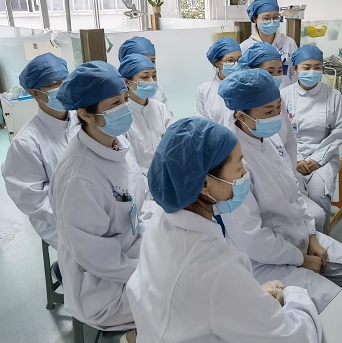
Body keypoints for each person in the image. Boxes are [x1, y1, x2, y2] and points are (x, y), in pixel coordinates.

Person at [126, 117, 322, 342]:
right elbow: (294, 337)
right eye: (239, 168)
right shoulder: (219, 266)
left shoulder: (160, 224)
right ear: (205, 184)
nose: (245, 174)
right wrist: (292, 293)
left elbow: (201, 298)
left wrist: (249, 295)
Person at [218, 69, 342, 312]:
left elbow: (294, 192)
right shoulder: (233, 160)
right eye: (268, 111)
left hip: (299, 238)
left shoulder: (270, 138)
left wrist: (312, 237)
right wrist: (300, 259)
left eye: (279, 107)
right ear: (241, 115)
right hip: (266, 261)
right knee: (340, 306)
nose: (277, 115)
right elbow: (251, 238)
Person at [49, 61, 146, 331]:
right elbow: (97, 257)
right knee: (183, 299)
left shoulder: (117, 142)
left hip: (132, 253)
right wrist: (149, 270)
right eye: (115, 103)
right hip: (103, 287)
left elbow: (139, 204)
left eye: (125, 98)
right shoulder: (80, 176)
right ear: (86, 114)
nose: (125, 107)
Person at [239, 43, 325, 232]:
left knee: (316, 215)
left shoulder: (279, 101)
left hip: (286, 176)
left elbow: (289, 142)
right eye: (270, 72)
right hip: (262, 189)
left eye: (280, 71)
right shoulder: (242, 113)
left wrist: (291, 173)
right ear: (250, 71)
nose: (276, 77)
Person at [2, 53, 80, 249]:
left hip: (97, 204)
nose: (62, 89)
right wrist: (76, 218)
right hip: (57, 219)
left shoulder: (85, 119)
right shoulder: (26, 143)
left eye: (65, 82)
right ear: (34, 93)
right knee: (94, 254)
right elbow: (31, 198)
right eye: (53, 85)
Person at [281, 45, 342, 232]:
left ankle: (320, 239)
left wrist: (317, 159)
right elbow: (280, 133)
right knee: (295, 195)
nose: (312, 71)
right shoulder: (284, 96)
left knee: (319, 196)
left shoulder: (333, 96)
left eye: (317, 67)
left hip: (323, 155)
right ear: (296, 70)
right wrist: (297, 159)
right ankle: (299, 239)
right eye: (306, 67)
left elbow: (339, 130)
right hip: (291, 155)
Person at [118, 53, 172, 175]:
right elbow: (126, 162)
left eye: (154, 76)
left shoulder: (161, 108)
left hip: (165, 177)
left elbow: (171, 146)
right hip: (138, 181)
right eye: (145, 77)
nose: (152, 81)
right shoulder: (121, 116)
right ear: (127, 82)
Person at [240, 0, 297, 88]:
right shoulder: (246, 48)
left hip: (286, 94)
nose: (271, 21)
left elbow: (294, 74)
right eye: (266, 18)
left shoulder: (289, 43)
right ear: (255, 19)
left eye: (275, 17)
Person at [195, 37, 242, 127]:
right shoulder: (204, 90)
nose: (236, 64)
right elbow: (200, 124)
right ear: (217, 63)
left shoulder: (247, 88)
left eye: (239, 60)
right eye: (230, 61)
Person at [118, 36, 168, 104]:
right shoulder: (117, 99)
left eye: (152, 61)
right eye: (143, 60)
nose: (149, 64)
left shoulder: (157, 89)